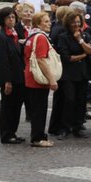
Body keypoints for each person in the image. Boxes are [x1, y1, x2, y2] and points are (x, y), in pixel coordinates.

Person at [48, 9, 91, 139]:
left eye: (79, 22)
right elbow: (66, 57)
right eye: (74, 22)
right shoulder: (63, 37)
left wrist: (80, 40)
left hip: (82, 74)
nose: (77, 25)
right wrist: (82, 55)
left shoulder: (85, 36)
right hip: (68, 74)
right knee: (69, 100)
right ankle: (64, 128)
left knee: (80, 101)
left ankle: (78, 127)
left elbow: (90, 51)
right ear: (68, 23)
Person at [21, 8, 58, 146]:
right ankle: (38, 138)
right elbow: (41, 60)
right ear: (39, 24)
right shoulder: (41, 37)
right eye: (46, 21)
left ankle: (39, 135)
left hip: (30, 77)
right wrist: (52, 79)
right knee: (39, 110)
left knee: (36, 108)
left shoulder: (31, 36)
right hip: (38, 79)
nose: (49, 24)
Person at [0, 7, 27, 144]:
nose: (11, 20)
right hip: (9, 76)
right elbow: (3, 60)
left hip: (19, 75)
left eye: (13, 17)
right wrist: (7, 81)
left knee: (17, 105)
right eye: (8, 18)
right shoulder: (0, 37)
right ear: (3, 20)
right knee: (8, 106)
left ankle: (13, 131)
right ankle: (6, 134)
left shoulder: (15, 33)